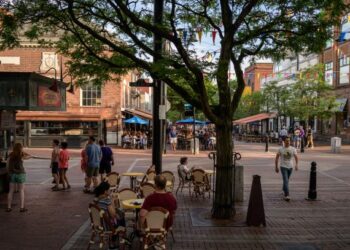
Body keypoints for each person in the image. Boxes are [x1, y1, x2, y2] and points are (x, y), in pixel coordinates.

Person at [94, 182, 126, 249]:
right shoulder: (106, 200)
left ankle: (114, 241)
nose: (110, 191)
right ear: (105, 191)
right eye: (109, 190)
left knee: (118, 217)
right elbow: (113, 214)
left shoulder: (95, 199)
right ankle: (115, 243)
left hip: (98, 224)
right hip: (107, 226)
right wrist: (112, 201)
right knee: (121, 217)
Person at [6, 143, 33, 212]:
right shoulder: (21, 155)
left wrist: (9, 172)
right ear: (21, 148)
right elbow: (29, 156)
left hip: (12, 174)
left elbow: (7, 164)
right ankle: (22, 207)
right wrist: (23, 152)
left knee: (11, 191)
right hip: (21, 174)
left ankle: (9, 207)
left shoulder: (11, 155)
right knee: (21, 190)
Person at [275, 137, 298, 201]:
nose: (288, 142)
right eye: (286, 141)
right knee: (286, 180)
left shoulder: (293, 149)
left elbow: (296, 157)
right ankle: (287, 195)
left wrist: (296, 165)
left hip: (290, 167)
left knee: (286, 180)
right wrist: (276, 167)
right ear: (284, 142)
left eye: (289, 141)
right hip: (283, 166)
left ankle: (284, 189)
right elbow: (276, 158)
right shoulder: (280, 149)